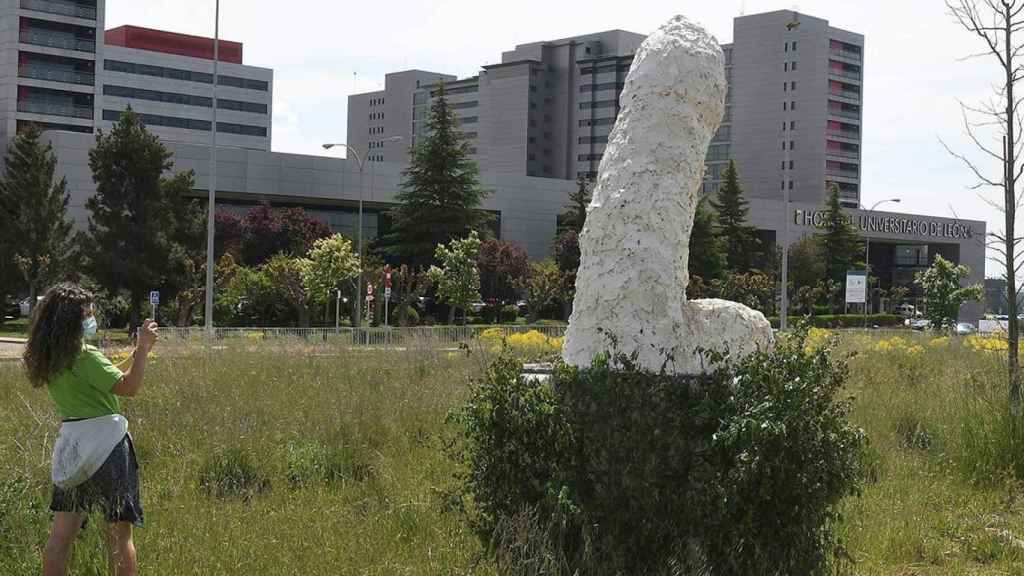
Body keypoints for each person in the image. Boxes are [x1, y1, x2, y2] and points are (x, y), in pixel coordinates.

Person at [22, 283, 158, 576]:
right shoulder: (86, 355)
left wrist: (133, 357)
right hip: (108, 447)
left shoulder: (52, 358)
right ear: (74, 318)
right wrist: (145, 349)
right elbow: (129, 387)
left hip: (72, 449)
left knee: (60, 538)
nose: (92, 317)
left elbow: (104, 377)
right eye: (88, 312)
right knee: (118, 538)